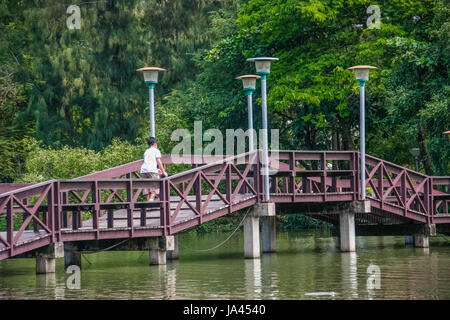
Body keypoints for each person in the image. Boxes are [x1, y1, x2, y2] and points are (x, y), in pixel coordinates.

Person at [140, 137, 168, 201]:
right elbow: (159, 162)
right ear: (155, 144)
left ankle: (147, 204)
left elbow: (148, 162)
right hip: (151, 170)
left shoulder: (146, 151)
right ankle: (151, 200)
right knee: (155, 186)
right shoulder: (156, 151)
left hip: (144, 170)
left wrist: (157, 170)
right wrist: (163, 171)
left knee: (147, 188)